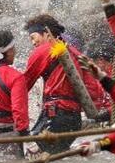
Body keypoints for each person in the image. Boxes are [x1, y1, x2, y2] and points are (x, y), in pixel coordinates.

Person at [23, 13, 105, 154]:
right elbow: (94, 89)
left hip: (55, 115)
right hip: (74, 120)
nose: (33, 43)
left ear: (47, 35)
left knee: (37, 157)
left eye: (33, 37)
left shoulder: (44, 50)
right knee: (58, 159)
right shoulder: (74, 51)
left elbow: (23, 85)